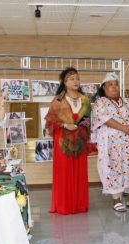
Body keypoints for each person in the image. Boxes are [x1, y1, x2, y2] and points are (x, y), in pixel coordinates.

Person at [91, 72, 129, 212]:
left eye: (116, 84)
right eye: (110, 85)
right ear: (104, 87)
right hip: (112, 144)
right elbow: (104, 119)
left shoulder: (126, 101)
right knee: (114, 168)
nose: (114, 87)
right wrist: (124, 128)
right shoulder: (100, 102)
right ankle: (116, 200)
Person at [45, 67, 91, 215]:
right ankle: (65, 205)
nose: (76, 81)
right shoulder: (58, 100)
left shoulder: (85, 99)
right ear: (64, 82)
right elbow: (50, 121)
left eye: (77, 78)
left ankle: (79, 205)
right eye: (72, 79)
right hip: (62, 139)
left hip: (80, 139)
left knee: (80, 172)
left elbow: (88, 119)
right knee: (64, 172)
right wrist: (65, 125)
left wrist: (81, 125)